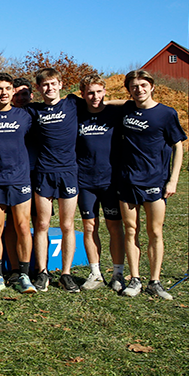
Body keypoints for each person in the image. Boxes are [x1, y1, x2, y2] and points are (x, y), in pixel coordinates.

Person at [115, 70, 186, 299]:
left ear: (152, 86)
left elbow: (178, 147)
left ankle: (155, 282)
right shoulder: (127, 109)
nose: (139, 90)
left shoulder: (166, 113)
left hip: (155, 181)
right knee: (131, 230)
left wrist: (172, 180)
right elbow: (117, 104)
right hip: (127, 180)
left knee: (154, 231)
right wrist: (102, 101)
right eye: (134, 86)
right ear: (129, 89)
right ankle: (135, 280)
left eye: (143, 85)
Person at [0, 74, 36, 294]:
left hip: (20, 179)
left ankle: (23, 274)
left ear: (13, 91)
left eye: (7, 88)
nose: (3, 92)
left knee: (22, 227)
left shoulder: (25, 115)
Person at [26, 67, 81, 293]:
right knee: (41, 224)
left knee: (67, 225)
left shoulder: (72, 104)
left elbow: (103, 104)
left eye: (52, 83)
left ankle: (66, 274)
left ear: (60, 84)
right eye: (44, 85)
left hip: (68, 172)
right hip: (43, 172)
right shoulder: (33, 110)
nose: (49, 88)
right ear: (38, 89)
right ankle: (42, 272)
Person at [74, 73, 126, 291]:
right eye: (89, 93)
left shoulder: (115, 112)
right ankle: (95, 273)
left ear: (105, 91)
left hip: (110, 181)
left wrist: (107, 102)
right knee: (89, 226)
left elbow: (131, 102)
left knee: (114, 226)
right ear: (83, 94)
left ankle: (118, 273)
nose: (94, 97)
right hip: (85, 180)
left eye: (98, 92)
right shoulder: (77, 113)